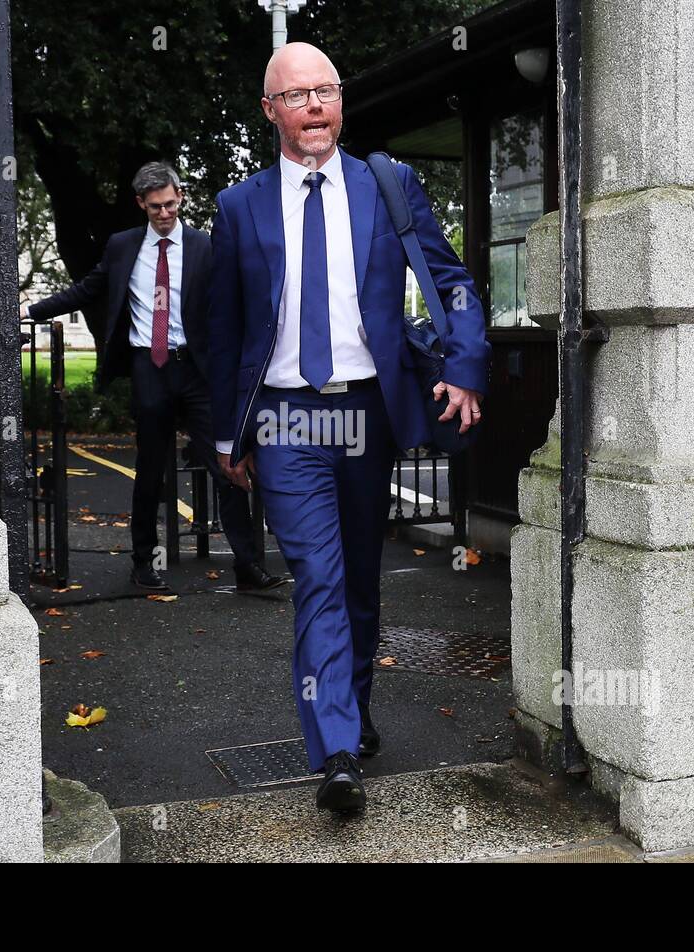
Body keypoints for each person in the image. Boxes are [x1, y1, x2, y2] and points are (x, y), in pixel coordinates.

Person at [208, 43, 490, 812]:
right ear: (272, 113)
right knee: (321, 581)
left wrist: (465, 362)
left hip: (369, 412)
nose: (314, 107)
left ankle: (353, 706)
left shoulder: (388, 185)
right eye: (295, 96)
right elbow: (225, 331)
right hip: (288, 420)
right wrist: (229, 434)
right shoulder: (239, 208)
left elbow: (454, 281)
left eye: (325, 91)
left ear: (340, 102)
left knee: (361, 583)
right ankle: (335, 750)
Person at [25, 161, 285, 592]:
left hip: (198, 372)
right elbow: (87, 289)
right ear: (140, 205)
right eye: (154, 208)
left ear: (181, 196)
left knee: (228, 466)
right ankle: (143, 564)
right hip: (151, 367)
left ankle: (247, 565)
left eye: (169, 204)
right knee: (149, 472)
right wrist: (30, 312)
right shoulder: (122, 247)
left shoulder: (206, 247)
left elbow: (236, 297)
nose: (164, 214)